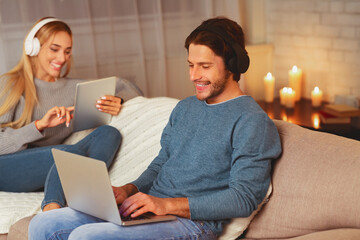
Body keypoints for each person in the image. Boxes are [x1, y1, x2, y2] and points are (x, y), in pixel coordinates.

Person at [29, 16, 282, 239]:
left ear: (233, 65)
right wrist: (128, 190)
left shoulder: (252, 121)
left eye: (205, 67)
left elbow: (244, 198)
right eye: (191, 65)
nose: (194, 76)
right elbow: (161, 164)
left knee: (89, 237)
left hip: (192, 225)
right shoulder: (185, 108)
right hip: (150, 211)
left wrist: (166, 205)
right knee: (45, 223)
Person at [0, 17, 124, 212]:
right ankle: (51, 210)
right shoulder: (10, 84)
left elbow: (125, 85)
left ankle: (85, 192)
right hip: (7, 167)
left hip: (51, 167)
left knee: (109, 133)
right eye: (54, 49)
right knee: (68, 155)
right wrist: (39, 125)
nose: (62, 58)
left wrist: (119, 100)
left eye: (67, 51)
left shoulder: (74, 88)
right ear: (33, 48)